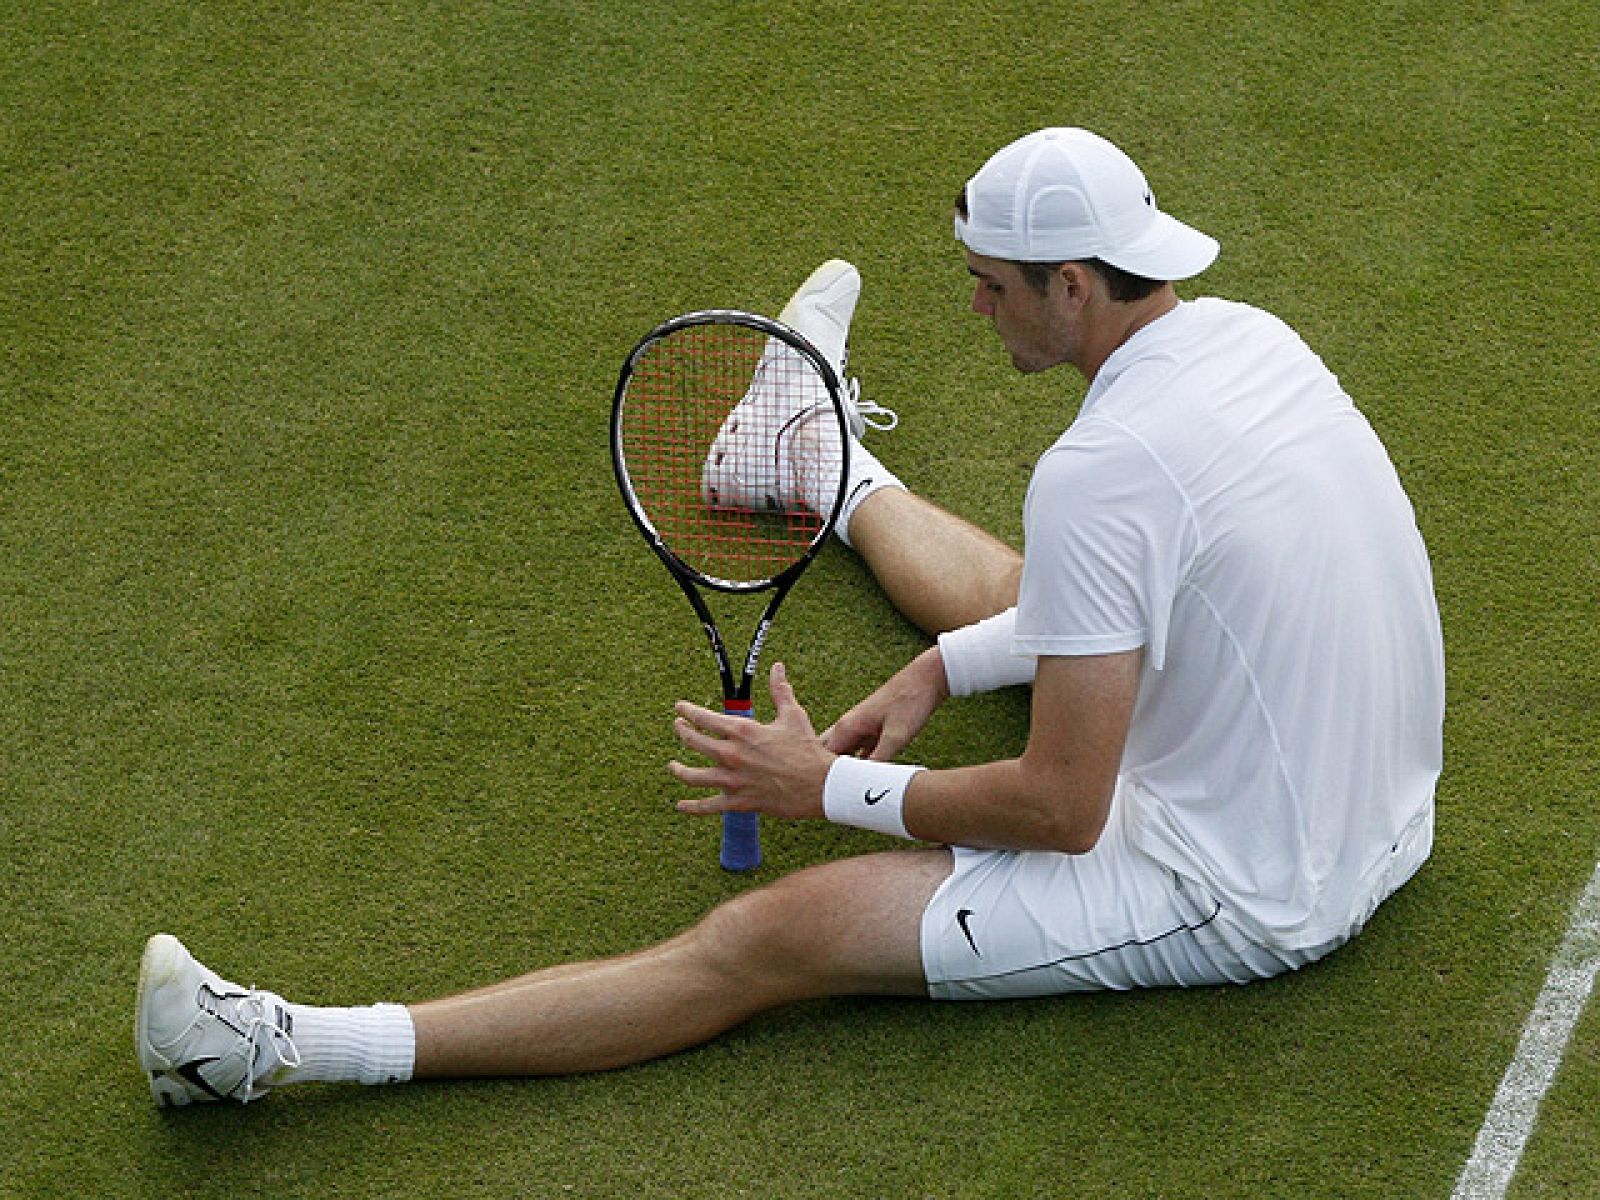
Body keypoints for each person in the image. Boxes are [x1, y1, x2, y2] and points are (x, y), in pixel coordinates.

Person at [135, 127, 1444, 1106]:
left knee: (772, 938)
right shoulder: (1251, 342)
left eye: (992, 284)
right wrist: (943, 667)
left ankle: (269, 1049)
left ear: (1073, 287)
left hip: (1265, 885)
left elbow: (1062, 812)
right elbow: (1117, 599)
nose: (974, 307)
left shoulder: (1100, 474)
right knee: (1025, 603)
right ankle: (813, 460)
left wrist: (827, 790)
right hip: (1381, 806)